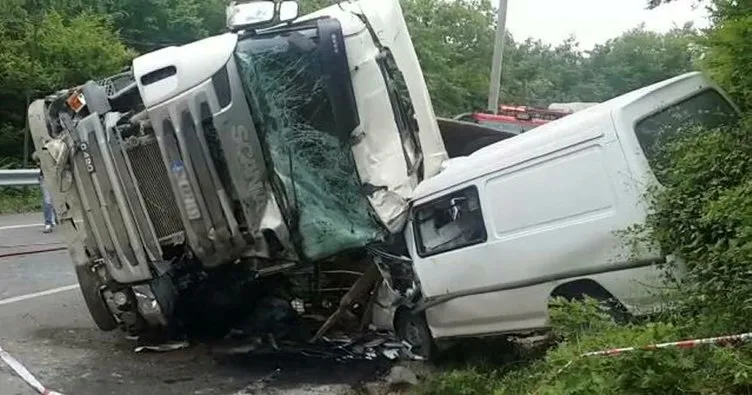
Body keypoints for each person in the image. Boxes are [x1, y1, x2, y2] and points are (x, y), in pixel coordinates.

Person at [32, 152, 56, 233]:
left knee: (57, 199)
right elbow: (35, 156)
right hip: (45, 176)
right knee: (48, 200)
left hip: (58, 175)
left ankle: (56, 217)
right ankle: (48, 223)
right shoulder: (43, 147)